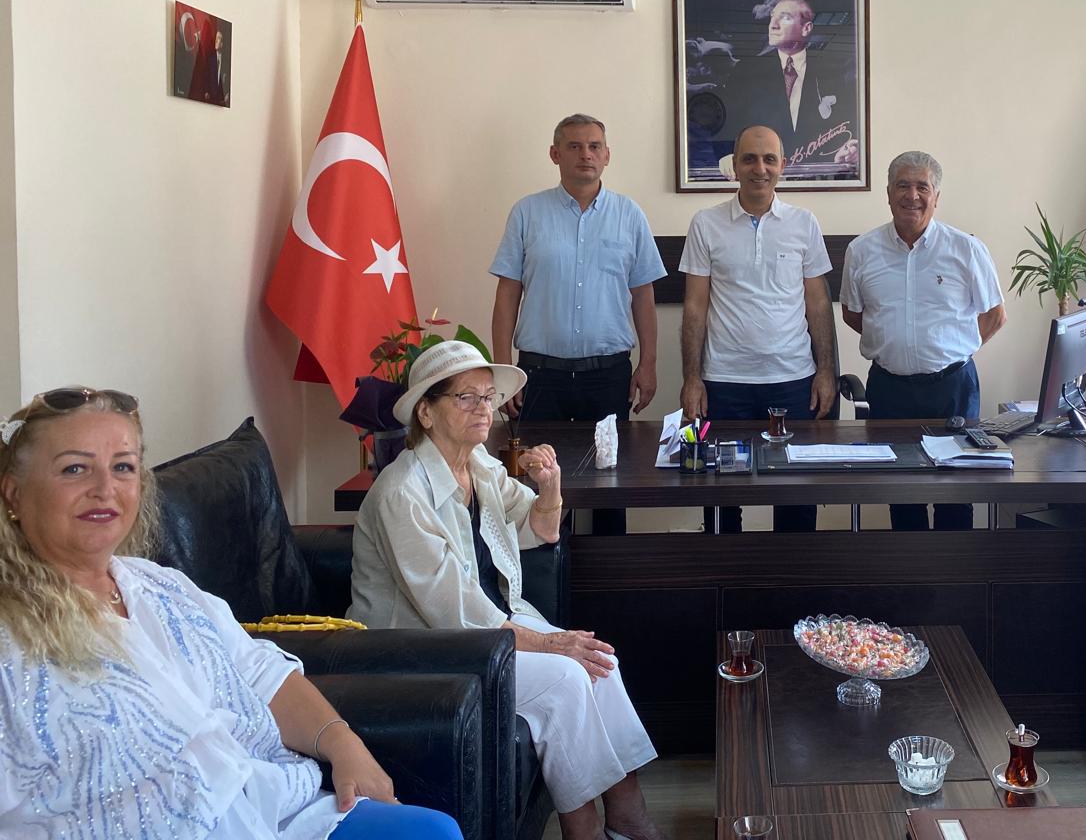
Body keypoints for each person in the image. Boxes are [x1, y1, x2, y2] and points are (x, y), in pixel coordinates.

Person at [0, 386, 458, 840]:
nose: (105, 489)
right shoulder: (11, 635)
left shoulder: (161, 586)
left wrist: (344, 745)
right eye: (74, 468)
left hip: (273, 810)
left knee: (431, 832)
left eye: (123, 467)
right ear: (14, 493)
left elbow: (261, 673)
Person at [349, 342, 662, 840]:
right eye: (466, 397)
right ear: (426, 412)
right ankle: (583, 831)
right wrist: (548, 643)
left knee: (601, 662)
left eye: (488, 397)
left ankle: (628, 817)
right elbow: (452, 613)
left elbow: (539, 529)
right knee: (566, 678)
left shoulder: (480, 466)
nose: (483, 408)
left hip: (489, 623)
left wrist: (550, 486)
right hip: (419, 647)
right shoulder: (402, 492)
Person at [491, 113, 666, 536]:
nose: (585, 154)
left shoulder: (629, 215)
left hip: (607, 376)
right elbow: (507, 294)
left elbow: (643, 297)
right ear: (555, 154)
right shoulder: (527, 213)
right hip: (539, 376)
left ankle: (609, 569)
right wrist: (502, 373)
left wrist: (648, 364)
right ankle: (543, 566)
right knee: (534, 483)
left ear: (607, 156)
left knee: (611, 484)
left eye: (594, 146)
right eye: (574, 146)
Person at [680, 124, 836, 533]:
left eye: (769, 159)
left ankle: (792, 574)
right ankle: (726, 573)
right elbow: (695, 307)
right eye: (749, 159)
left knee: (796, 498)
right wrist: (692, 378)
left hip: (793, 382)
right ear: (734, 166)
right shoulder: (705, 223)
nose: (759, 168)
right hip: (724, 383)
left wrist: (826, 371)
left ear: (783, 165)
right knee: (722, 498)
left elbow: (818, 304)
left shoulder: (804, 223)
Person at [840, 151, 1006, 531]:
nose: (912, 196)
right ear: (888, 193)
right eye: (903, 185)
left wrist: (953, 349)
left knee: (956, 495)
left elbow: (995, 315)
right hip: (890, 390)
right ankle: (909, 568)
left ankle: (953, 569)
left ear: (936, 196)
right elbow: (852, 313)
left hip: (953, 388)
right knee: (902, 494)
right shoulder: (861, 251)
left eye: (922, 187)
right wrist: (892, 342)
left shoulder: (966, 249)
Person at [719, 0, 859, 178]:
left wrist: (848, 150)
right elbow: (726, 125)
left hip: (816, 182)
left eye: (784, 17)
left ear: (806, 28)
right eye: (772, 17)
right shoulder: (747, 71)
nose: (773, 25)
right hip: (762, 178)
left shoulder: (834, 72)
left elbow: (846, 126)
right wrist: (727, 155)